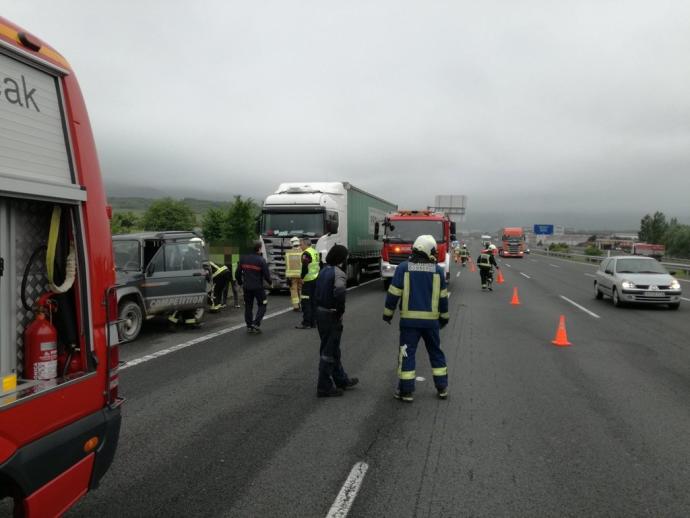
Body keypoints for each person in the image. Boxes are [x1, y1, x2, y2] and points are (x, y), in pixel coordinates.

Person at [382, 235, 450, 403]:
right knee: (436, 353)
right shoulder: (438, 271)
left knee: (406, 354)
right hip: (431, 323)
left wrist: (388, 314)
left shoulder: (403, 268)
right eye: (433, 250)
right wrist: (444, 318)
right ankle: (442, 388)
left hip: (409, 323)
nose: (434, 253)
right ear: (427, 250)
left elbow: (393, 293)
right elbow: (443, 299)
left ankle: (406, 391)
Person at [314, 245, 359, 397]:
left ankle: (341, 379)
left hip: (320, 313)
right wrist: (340, 310)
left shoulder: (323, 271)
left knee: (333, 349)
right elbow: (339, 291)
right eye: (345, 257)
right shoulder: (338, 273)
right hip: (330, 314)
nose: (347, 260)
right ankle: (324, 386)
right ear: (341, 258)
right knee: (329, 351)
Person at [236, 241, 271, 333]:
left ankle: (249, 326)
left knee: (248, 306)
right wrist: (270, 283)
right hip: (258, 287)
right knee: (263, 304)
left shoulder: (243, 258)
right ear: (259, 249)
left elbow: (237, 273)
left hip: (247, 287)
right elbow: (266, 275)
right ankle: (256, 323)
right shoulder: (261, 260)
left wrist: (240, 282)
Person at [295, 238, 320, 329]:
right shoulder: (315, 252)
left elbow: (305, 267)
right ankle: (313, 322)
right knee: (314, 302)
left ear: (305, 244)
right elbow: (318, 265)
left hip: (308, 281)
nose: (300, 246)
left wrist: (301, 278)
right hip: (316, 279)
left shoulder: (306, 253)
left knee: (306, 302)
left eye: (301, 244)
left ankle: (306, 323)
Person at [285, 236, 303, 311]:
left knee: (293, 290)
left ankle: (296, 306)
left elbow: (286, 265)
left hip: (292, 276)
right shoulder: (303, 252)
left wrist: (286, 276)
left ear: (292, 243)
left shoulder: (288, 253)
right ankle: (302, 304)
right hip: (301, 275)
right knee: (301, 290)